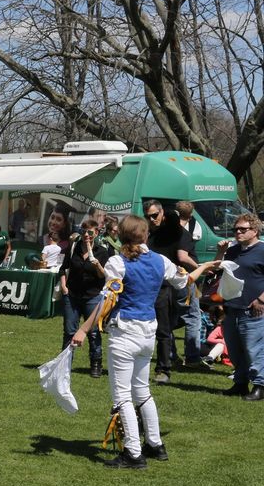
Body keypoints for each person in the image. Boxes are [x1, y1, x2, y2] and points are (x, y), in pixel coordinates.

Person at [71, 215, 213, 468]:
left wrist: (83, 329)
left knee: (122, 396)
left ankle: (133, 453)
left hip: (125, 332)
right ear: (145, 235)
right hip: (148, 332)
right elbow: (185, 280)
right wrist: (205, 266)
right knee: (142, 391)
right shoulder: (160, 260)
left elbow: (106, 301)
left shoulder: (117, 262)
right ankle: (155, 444)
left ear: (120, 236)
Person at [145, 200, 196, 383]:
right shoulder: (150, 234)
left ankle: (163, 369)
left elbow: (175, 218)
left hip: (167, 287)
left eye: (154, 215)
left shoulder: (174, 232)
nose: (151, 219)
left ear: (163, 214)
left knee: (164, 330)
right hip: (147, 286)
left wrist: (168, 211)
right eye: (147, 216)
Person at [216, 213, 264, 400]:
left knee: (255, 350)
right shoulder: (233, 249)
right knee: (235, 349)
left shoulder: (262, 250)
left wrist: (261, 300)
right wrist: (221, 251)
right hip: (231, 307)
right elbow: (217, 268)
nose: (238, 232)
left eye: (243, 229)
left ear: (255, 231)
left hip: (254, 309)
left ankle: (260, 386)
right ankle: (241, 383)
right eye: (236, 229)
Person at [59, 220, 113, 377]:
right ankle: (65, 363)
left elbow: (104, 276)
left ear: (96, 233)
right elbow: (63, 269)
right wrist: (64, 287)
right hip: (73, 295)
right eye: (84, 232)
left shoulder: (102, 252)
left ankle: (96, 363)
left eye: (90, 232)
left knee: (93, 332)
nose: (86, 235)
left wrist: (96, 264)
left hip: (93, 296)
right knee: (69, 331)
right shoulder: (74, 248)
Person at [176, 200, 205, 366]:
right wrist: (200, 267)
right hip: (185, 278)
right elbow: (182, 256)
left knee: (170, 316)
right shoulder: (183, 233)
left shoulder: (167, 232)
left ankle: (170, 354)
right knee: (194, 316)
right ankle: (193, 357)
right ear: (191, 215)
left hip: (172, 278)